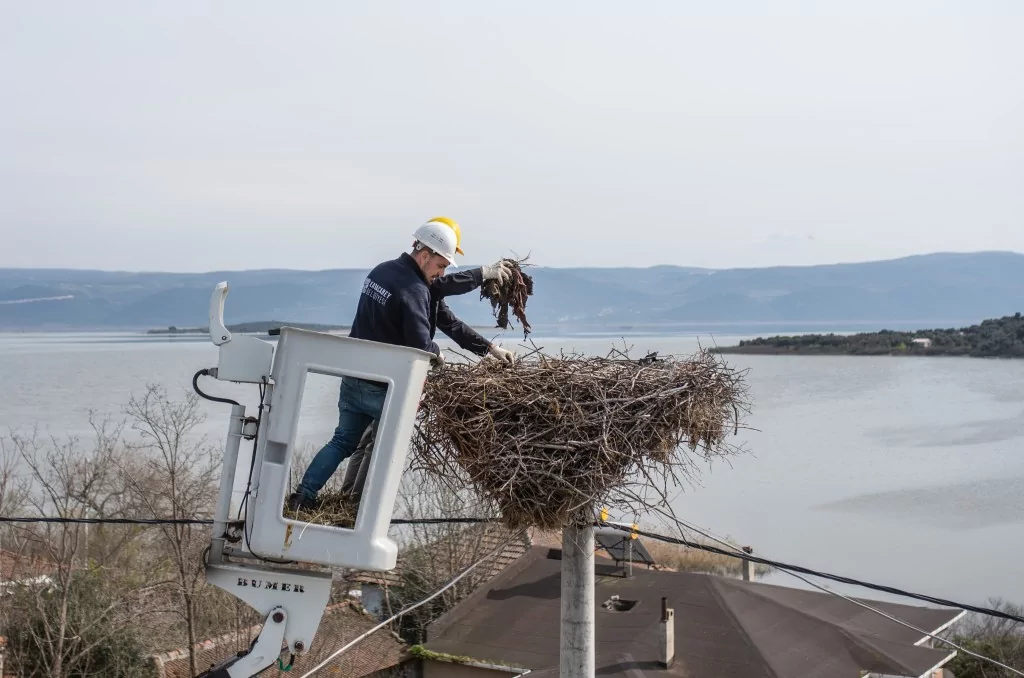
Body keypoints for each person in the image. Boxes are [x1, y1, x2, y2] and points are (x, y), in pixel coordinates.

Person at [288, 217, 515, 511]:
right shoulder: (415, 291)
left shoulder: (382, 272)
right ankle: (356, 509)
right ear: (424, 255)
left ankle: (303, 496)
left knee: (342, 442)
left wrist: (488, 348)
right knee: (381, 449)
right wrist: (437, 355)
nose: (442, 274)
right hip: (383, 387)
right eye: (441, 265)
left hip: (353, 379)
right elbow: (420, 344)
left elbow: (447, 318)